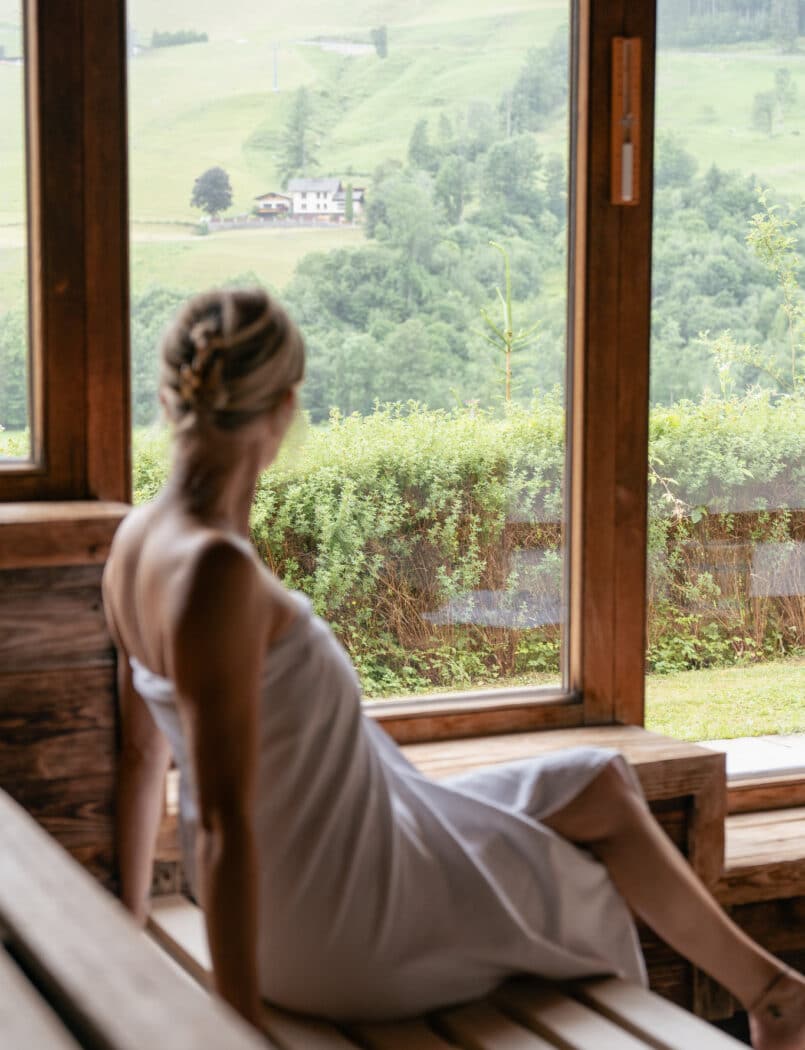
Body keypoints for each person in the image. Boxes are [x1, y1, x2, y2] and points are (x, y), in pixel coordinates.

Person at [103, 287, 805, 1050]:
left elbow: (141, 758)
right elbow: (221, 824)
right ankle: (769, 1000)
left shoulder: (137, 542)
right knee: (577, 870)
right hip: (339, 917)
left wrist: (130, 924)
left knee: (600, 782)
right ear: (283, 407)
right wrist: (237, 1031)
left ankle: (771, 995)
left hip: (350, 842)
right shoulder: (215, 572)